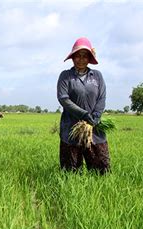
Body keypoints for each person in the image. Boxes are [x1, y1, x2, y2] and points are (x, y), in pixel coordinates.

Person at [56, 37, 110, 174]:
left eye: (84, 56)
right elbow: (63, 99)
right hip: (71, 128)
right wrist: (84, 115)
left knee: (101, 168)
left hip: (94, 128)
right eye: (78, 56)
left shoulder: (97, 76)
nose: (81, 59)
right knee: (70, 170)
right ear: (73, 58)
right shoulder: (66, 76)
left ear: (89, 58)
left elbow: (101, 97)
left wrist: (95, 117)